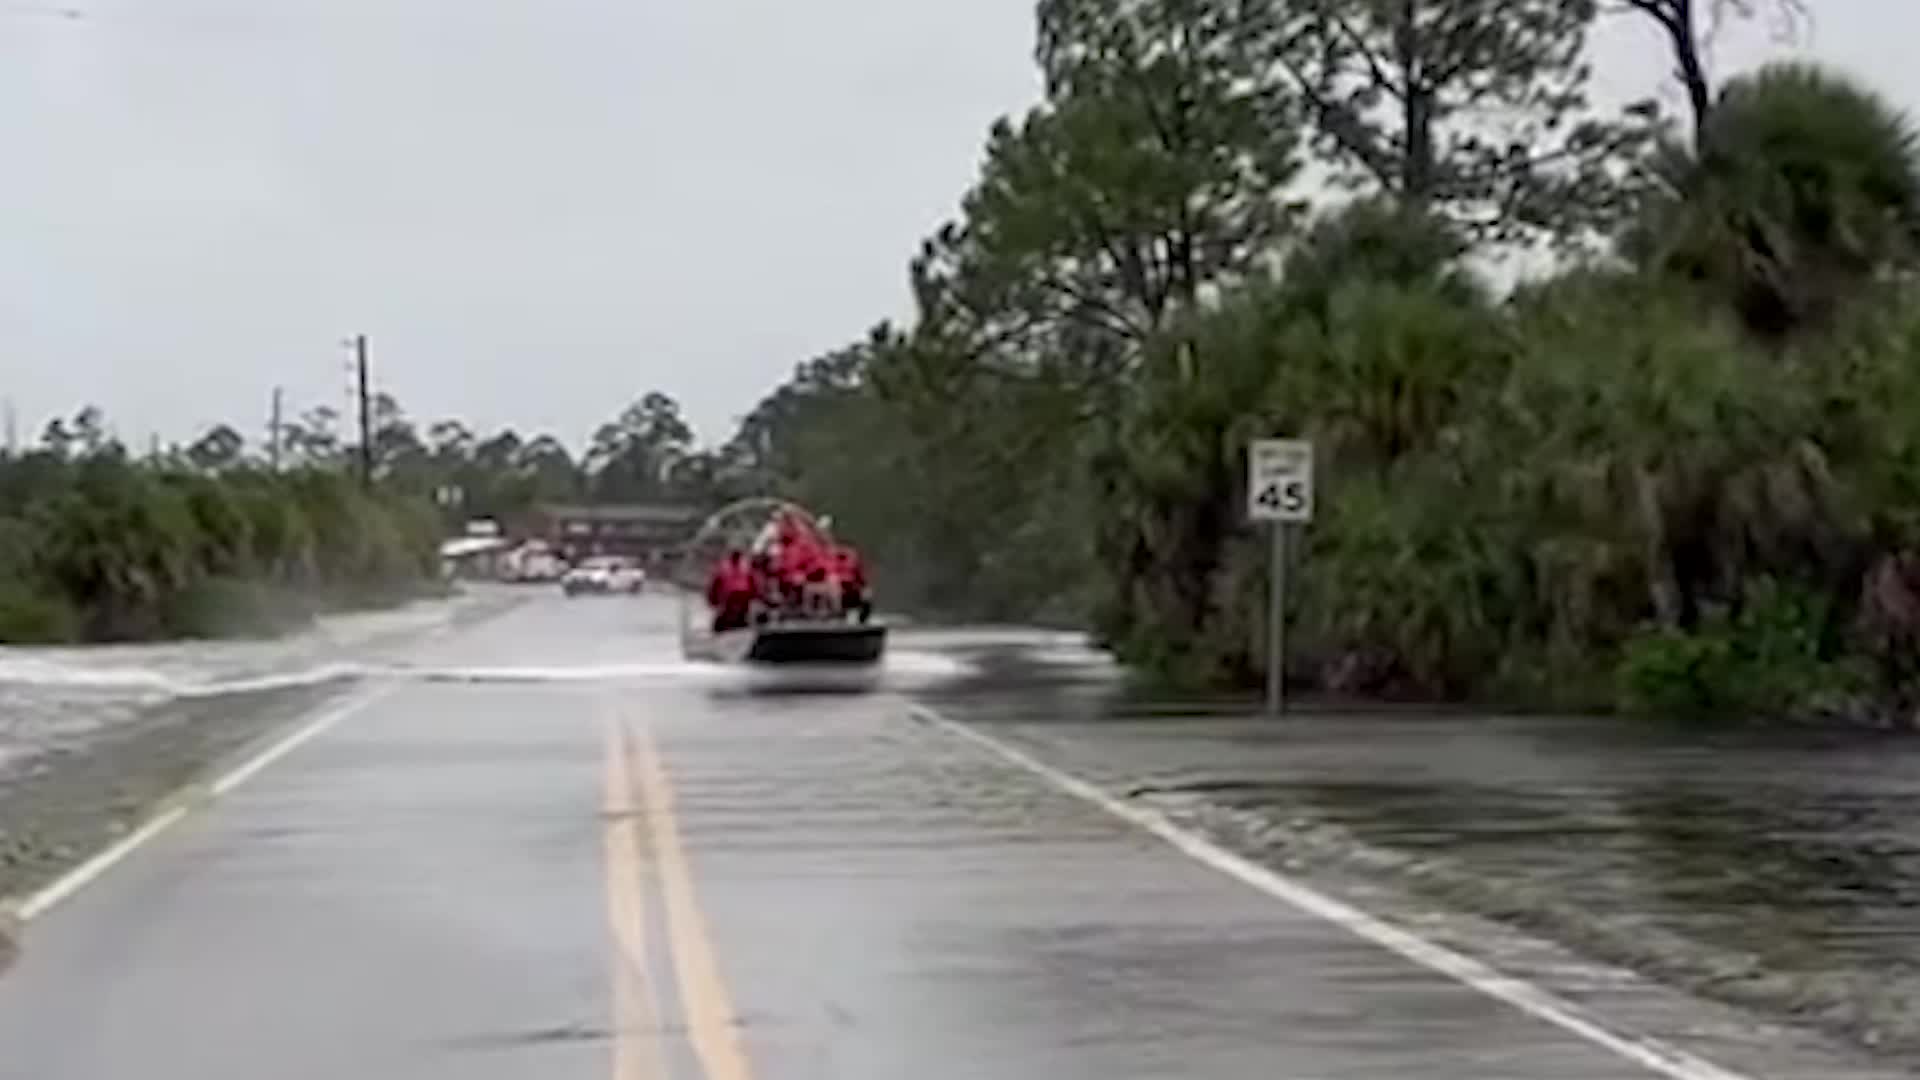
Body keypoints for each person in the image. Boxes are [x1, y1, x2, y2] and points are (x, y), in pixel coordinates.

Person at [706, 549, 754, 632]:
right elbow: (716, 582)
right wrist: (713, 597)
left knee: (741, 613)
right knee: (728, 613)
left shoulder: (745, 566)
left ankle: (739, 622)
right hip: (731, 595)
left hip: (742, 594)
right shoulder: (725, 566)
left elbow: (752, 580)